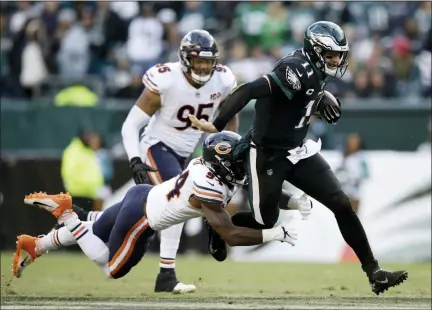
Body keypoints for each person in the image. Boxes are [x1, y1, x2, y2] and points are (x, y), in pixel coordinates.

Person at [189, 21, 408, 295]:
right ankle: (216, 224)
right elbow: (248, 91)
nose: (337, 60)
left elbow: (295, 99)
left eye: (339, 55)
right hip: (267, 153)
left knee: (341, 202)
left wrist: (319, 97)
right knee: (264, 220)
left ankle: (374, 273)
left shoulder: (315, 71)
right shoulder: (294, 68)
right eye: (331, 55)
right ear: (315, 51)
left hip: (297, 150)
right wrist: (217, 124)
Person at [13, 132, 312, 281]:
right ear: (220, 163)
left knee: (97, 225)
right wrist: (276, 234)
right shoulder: (209, 185)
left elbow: (261, 191)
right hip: (143, 217)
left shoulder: (210, 168)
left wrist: (295, 201)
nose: (241, 166)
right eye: (234, 160)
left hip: (143, 195)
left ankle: (37, 246)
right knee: (110, 268)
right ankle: (66, 213)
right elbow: (230, 235)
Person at [107, 29, 239, 293]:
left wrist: (231, 143)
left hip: (186, 152)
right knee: (177, 201)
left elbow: (229, 116)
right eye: (198, 60)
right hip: (156, 146)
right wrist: (135, 159)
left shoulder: (223, 80)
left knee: (136, 208)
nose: (203, 67)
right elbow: (131, 124)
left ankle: (86, 224)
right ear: (185, 59)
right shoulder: (166, 80)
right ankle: (166, 274)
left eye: (207, 61)